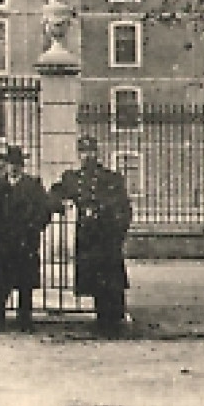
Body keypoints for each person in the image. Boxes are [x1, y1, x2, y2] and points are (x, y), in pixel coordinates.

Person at [52, 135, 134, 335]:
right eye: (82, 152)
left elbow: (123, 207)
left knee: (111, 280)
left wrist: (117, 232)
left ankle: (115, 319)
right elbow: (55, 192)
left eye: (90, 152)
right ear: (78, 155)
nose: (86, 156)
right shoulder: (73, 178)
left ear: (97, 153)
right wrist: (60, 204)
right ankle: (101, 320)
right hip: (87, 237)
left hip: (106, 237)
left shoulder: (110, 178)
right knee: (94, 280)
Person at [0, 145, 54, 333]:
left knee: (25, 281)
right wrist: (3, 225)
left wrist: (32, 227)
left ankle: (25, 319)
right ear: (5, 165)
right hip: (5, 240)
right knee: (1, 282)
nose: (14, 167)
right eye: (10, 164)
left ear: (22, 166)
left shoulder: (33, 185)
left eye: (17, 164)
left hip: (27, 240)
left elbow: (44, 211)